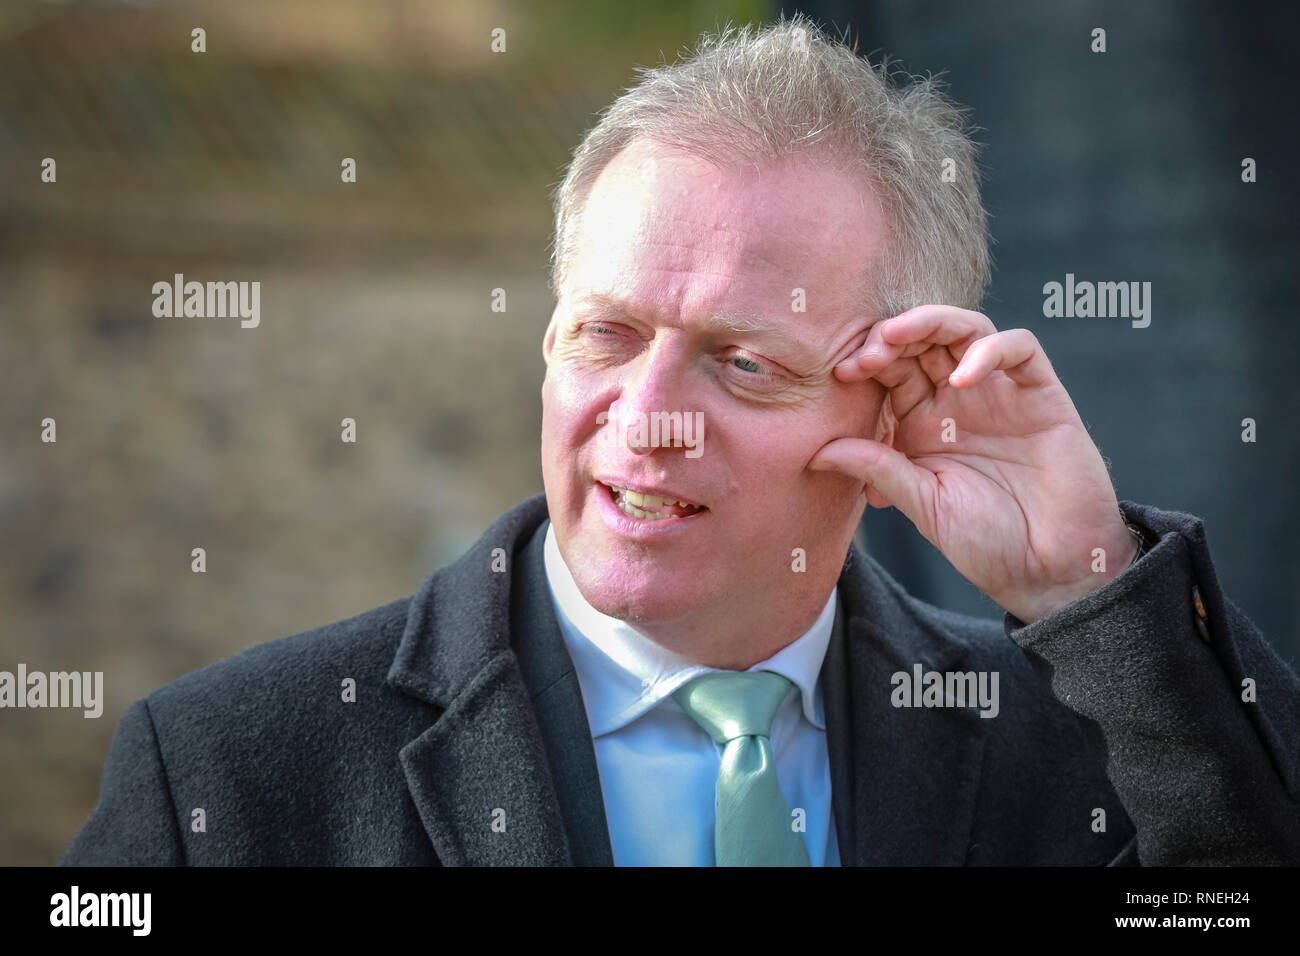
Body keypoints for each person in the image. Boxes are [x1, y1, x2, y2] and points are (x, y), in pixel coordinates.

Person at [62, 14, 1299, 866]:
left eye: (744, 360)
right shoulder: (228, 768)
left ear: (891, 410)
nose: (644, 416)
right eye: (604, 334)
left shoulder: (1079, 752)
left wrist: (1087, 580)